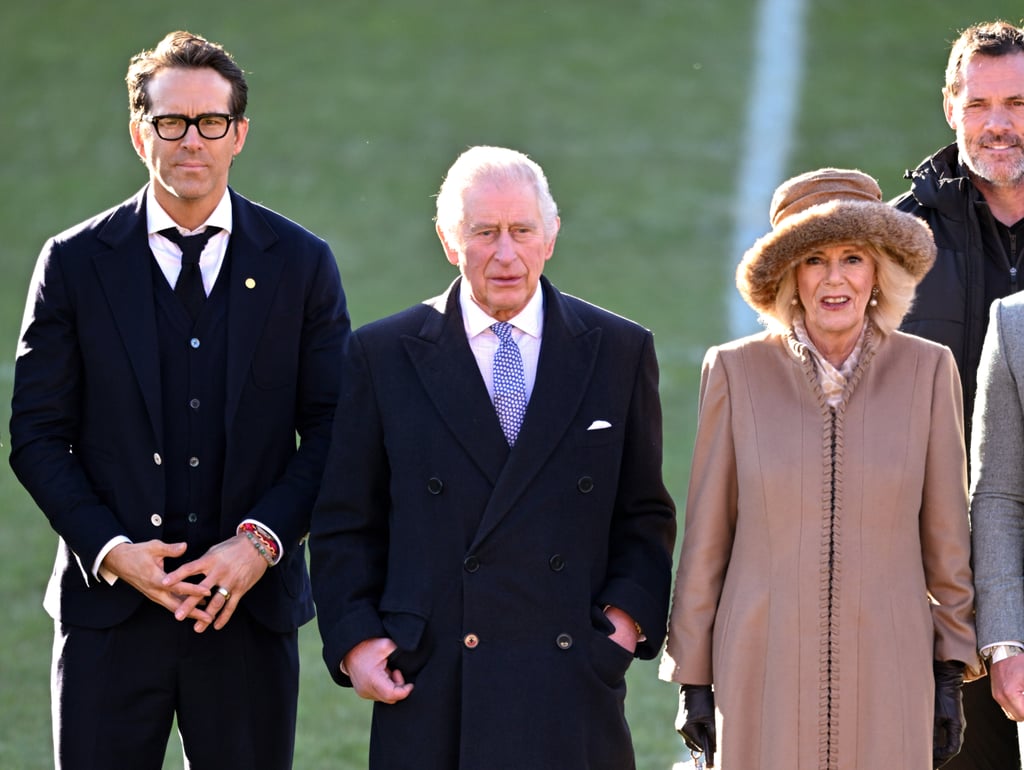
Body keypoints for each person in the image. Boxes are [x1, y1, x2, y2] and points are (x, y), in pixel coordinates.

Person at [8, 31, 349, 769]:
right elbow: (36, 434)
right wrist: (112, 552)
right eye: (171, 122)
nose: (190, 140)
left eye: (210, 122)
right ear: (140, 134)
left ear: (239, 135)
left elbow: (333, 428)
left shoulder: (300, 264)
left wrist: (259, 544)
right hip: (109, 618)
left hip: (247, 616)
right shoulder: (71, 264)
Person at [309, 145, 676, 769]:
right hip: (432, 683)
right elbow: (346, 521)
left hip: (570, 683)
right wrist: (357, 640)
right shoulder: (384, 354)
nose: (505, 254)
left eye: (521, 231)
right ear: (450, 241)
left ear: (551, 236)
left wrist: (620, 628)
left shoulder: (618, 349)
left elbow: (643, 514)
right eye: (484, 233)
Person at [659, 168, 983, 769]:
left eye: (853, 258)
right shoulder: (734, 370)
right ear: (789, 277)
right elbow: (706, 536)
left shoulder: (929, 371)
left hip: (891, 661)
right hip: (759, 661)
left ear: (879, 272)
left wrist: (948, 671)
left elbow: (946, 538)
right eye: (814, 260)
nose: (834, 279)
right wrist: (693, 677)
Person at [892, 20, 1024, 770]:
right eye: (979, 105)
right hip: (932, 586)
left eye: (1016, 102)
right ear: (950, 108)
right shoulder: (894, 243)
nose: (998, 124)